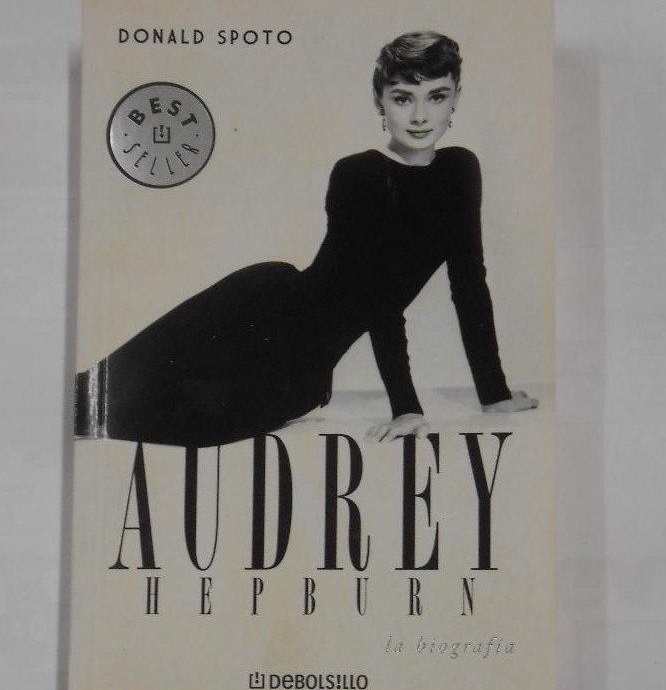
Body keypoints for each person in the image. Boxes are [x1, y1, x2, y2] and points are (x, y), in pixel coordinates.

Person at [75, 30, 537, 449]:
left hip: (299, 371)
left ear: (456, 98)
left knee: (186, 421)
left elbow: (469, 281)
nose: (420, 115)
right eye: (402, 98)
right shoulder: (358, 174)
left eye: (436, 96)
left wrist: (493, 393)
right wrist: (406, 407)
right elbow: (379, 298)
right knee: (96, 397)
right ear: (379, 101)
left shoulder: (460, 170)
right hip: (257, 309)